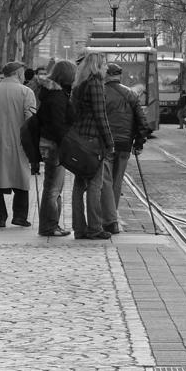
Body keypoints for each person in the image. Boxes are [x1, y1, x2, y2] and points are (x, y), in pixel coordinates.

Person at [0, 62, 37, 228]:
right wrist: (33, 144)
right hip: (18, 142)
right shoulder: (26, 92)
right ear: (18, 73)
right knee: (21, 179)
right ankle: (19, 215)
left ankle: (0, 216)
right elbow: (30, 120)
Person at [70, 53, 115, 240]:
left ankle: (79, 228)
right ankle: (95, 227)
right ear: (97, 66)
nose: (107, 68)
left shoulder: (79, 85)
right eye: (104, 65)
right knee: (95, 185)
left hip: (79, 140)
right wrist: (109, 141)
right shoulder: (95, 84)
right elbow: (100, 115)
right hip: (93, 141)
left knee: (79, 185)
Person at [102, 63, 149, 233]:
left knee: (103, 181)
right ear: (119, 76)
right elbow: (142, 121)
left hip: (105, 144)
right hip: (124, 144)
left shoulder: (101, 92)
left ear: (106, 75)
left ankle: (106, 218)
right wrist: (139, 143)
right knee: (116, 181)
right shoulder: (131, 94)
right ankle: (112, 215)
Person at [35, 60, 76, 238]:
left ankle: (51, 224)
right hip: (54, 145)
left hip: (48, 142)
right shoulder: (58, 96)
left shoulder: (50, 93)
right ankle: (49, 226)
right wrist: (68, 144)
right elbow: (59, 125)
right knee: (53, 188)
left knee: (52, 186)